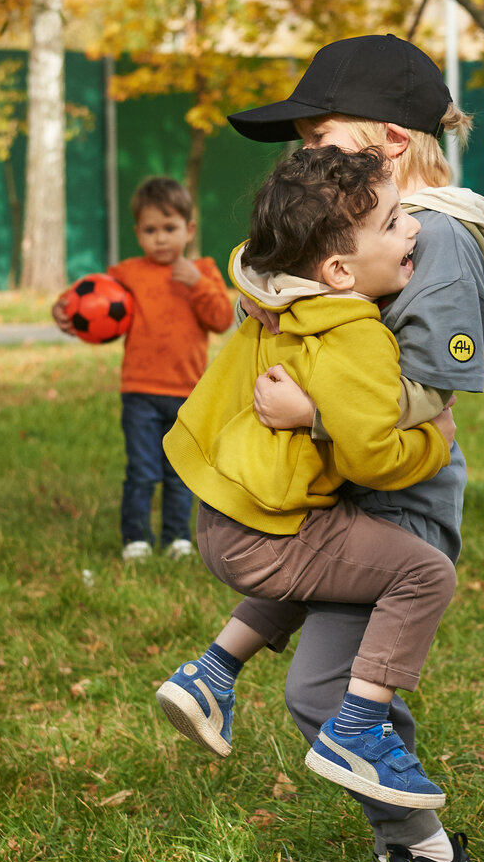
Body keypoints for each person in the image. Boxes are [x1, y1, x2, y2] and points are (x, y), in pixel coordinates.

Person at [222, 32, 484, 862]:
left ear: (389, 140)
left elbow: (431, 388)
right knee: (340, 679)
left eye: (320, 136)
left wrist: (318, 411)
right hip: (350, 483)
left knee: (324, 689)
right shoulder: (356, 227)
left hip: (401, 495)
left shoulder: (436, 236)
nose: (304, 154)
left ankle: (430, 858)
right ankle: (413, 854)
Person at [158, 145, 460, 813]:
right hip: (266, 535)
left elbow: (250, 255)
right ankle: (359, 727)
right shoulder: (356, 335)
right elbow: (372, 458)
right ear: (340, 271)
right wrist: (433, 442)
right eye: (393, 223)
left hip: (225, 513)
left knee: (331, 559)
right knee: (423, 574)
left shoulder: (272, 289)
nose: (414, 229)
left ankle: (212, 673)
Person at [51, 176, 233, 561]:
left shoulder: (203, 270)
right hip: (140, 393)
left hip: (187, 395)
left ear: (189, 229)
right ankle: (136, 538)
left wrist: (197, 284)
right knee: (142, 470)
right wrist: (62, 306)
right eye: (150, 231)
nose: (160, 238)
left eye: (169, 228)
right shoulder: (129, 272)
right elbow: (88, 294)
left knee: (179, 471)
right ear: (137, 233)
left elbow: (220, 319)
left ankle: (177, 537)